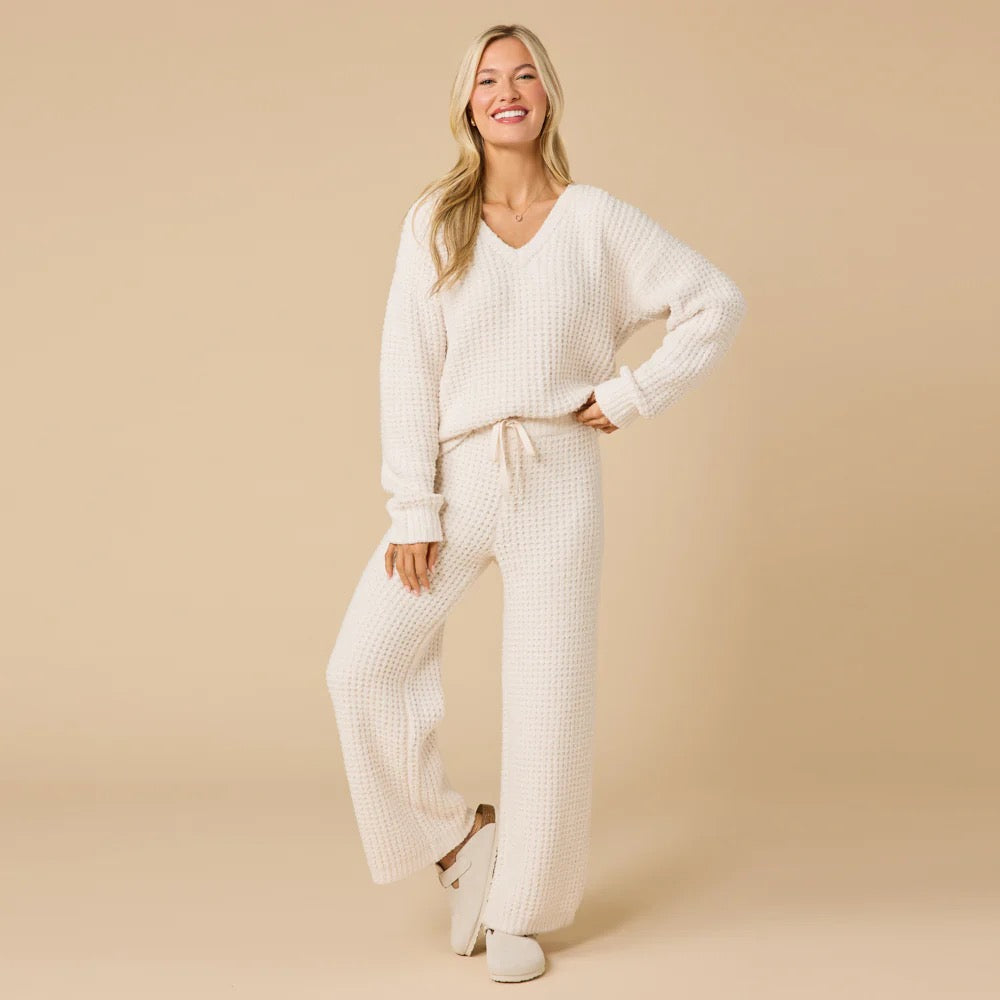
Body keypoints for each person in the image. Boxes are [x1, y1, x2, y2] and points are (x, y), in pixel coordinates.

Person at [325, 22, 747, 984]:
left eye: (523, 75)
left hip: (559, 473)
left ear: (547, 94)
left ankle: (523, 908)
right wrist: (414, 508)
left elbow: (714, 300)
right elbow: (407, 367)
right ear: (467, 104)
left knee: (550, 696)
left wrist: (634, 394)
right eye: (488, 79)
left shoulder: (594, 219)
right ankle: (461, 842)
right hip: (462, 474)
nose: (506, 91)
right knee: (362, 668)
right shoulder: (436, 221)